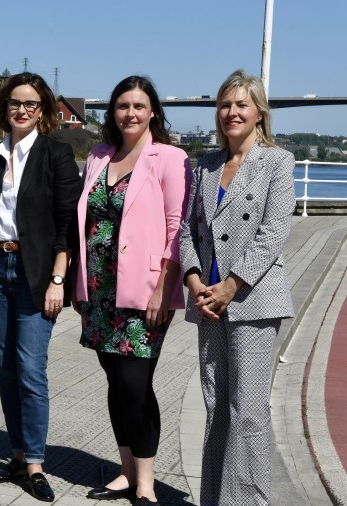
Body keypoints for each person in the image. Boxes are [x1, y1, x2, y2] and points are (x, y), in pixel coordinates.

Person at [0, 72, 81, 503]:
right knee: (6, 368)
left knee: (31, 369)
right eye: (15, 103)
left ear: (44, 109)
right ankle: (14, 454)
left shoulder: (57, 155)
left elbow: (69, 223)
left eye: (31, 104)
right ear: (4, 107)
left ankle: (34, 462)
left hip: (36, 272)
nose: (22, 110)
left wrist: (57, 279)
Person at [71, 76, 190, 505]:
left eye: (139, 106)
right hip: (100, 290)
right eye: (123, 106)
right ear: (113, 112)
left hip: (144, 291)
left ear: (153, 111)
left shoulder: (170, 158)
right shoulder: (100, 156)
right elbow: (82, 222)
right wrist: (76, 283)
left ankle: (146, 483)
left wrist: (164, 287)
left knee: (136, 383)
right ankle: (125, 472)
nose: (131, 114)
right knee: (114, 381)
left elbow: (178, 228)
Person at [179, 69, 295, 506]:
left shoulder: (277, 163)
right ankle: (214, 499)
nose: (232, 112)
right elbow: (187, 231)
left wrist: (230, 285)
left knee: (248, 412)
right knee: (216, 406)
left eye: (241, 104)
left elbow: (272, 232)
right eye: (225, 105)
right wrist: (194, 281)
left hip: (252, 301)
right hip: (209, 303)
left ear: (259, 112)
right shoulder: (204, 165)